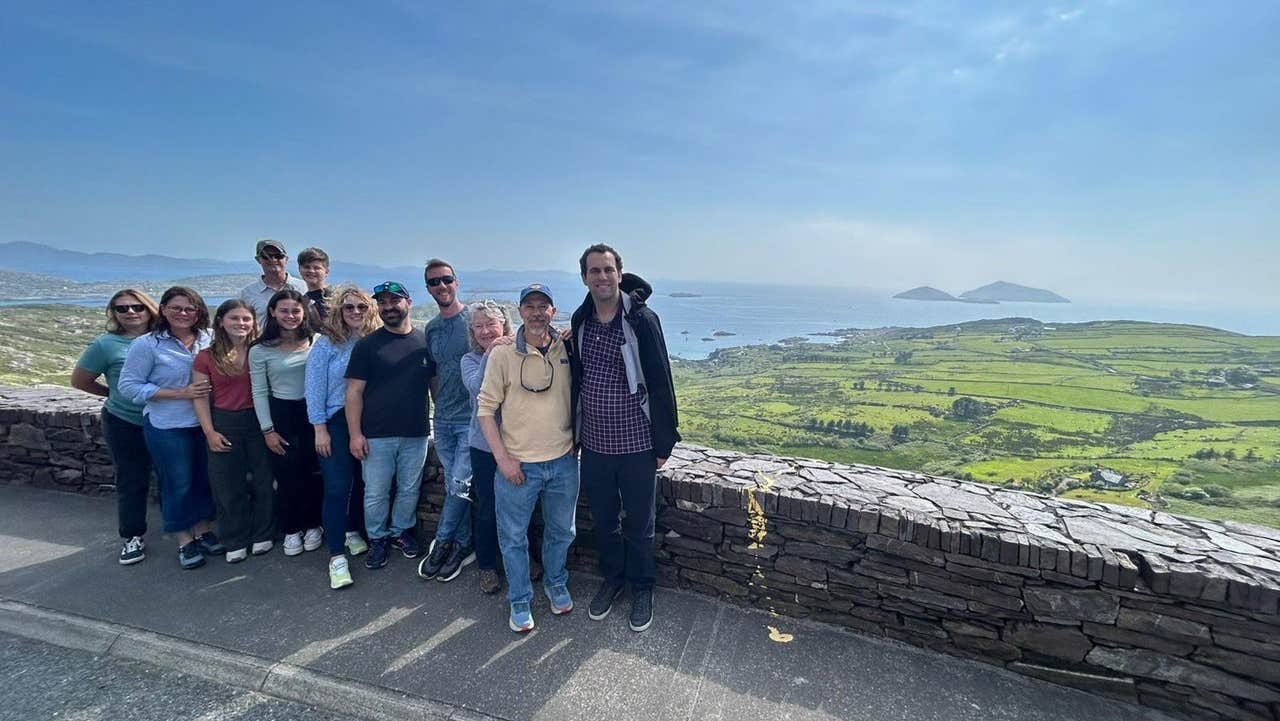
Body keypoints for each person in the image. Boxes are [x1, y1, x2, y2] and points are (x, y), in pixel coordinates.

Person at [570, 243, 680, 633]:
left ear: (620, 274)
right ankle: (613, 579)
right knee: (603, 520)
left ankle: (642, 587)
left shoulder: (641, 320)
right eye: (594, 271)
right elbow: (575, 377)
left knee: (640, 522)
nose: (601, 277)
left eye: (608, 270)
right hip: (596, 444)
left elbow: (660, 378)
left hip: (637, 443)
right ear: (584, 277)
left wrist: (664, 442)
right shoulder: (581, 321)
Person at [477, 283, 578, 633]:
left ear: (553, 311)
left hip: (563, 461)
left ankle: (555, 582)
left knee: (562, 531)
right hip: (518, 464)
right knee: (514, 537)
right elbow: (485, 410)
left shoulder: (567, 346)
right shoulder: (502, 354)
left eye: (544, 306)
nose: (537, 312)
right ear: (520, 312)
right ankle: (519, 600)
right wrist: (503, 460)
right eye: (530, 306)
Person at [118, 286, 220, 570]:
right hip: (167, 424)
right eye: (176, 308)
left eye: (190, 308)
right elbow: (128, 386)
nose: (183, 314)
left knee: (203, 478)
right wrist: (179, 393)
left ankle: (203, 529)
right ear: (163, 310)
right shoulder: (147, 345)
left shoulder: (209, 339)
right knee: (178, 482)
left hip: (206, 423)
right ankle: (184, 539)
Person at [345, 281, 434, 571]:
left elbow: (435, 387)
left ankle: (400, 532)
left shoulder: (424, 342)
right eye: (382, 303)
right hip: (376, 433)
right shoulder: (367, 346)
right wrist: (355, 434)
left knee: (409, 488)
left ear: (408, 302)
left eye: (393, 301)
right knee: (376, 492)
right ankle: (378, 538)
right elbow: (354, 392)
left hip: (416, 431)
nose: (388, 307)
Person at [71, 289, 160, 565]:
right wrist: (113, 394)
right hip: (125, 421)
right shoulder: (105, 345)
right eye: (122, 309)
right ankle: (132, 536)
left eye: (137, 307)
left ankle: (185, 530)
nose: (131, 312)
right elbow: (80, 380)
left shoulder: (165, 339)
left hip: (165, 419)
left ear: (149, 309)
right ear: (114, 314)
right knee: (131, 480)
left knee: (175, 476)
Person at [306, 284, 381, 590]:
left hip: (372, 420)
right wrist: (319, 428)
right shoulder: (326, 345)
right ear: (339, 310)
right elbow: (313, 389)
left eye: (361, 307)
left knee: (364, 483)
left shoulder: (375, 341)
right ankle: (336, 556)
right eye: (349, 307)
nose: (355, 312)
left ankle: (352, 530)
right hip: (335, 420)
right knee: (338, 486)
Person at [192, 300, 276, 563]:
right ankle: (235, 538)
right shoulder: (206, 356)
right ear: (221, 322)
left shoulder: (261, 351)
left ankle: (264, 533)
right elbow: (200, 397)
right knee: (228, 484)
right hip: (224, 421)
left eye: (246, 319)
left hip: (260, 420)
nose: (241, 324)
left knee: (265, 481)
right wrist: (209, 432)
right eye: (234, 318)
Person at [249, 288, 322, 557]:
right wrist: (267, 429)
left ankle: (313, 524)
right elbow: (258, 391)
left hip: (314, 412)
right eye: (284, 311)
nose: (290, 316)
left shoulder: (317, 341)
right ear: (272, 313)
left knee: (314, 473)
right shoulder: (260, 350)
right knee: (287, 474)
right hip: (282, 413)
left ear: (304, 313)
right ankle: (291, 529)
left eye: (295, 310)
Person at [417, 259, 476, 583]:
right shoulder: (433, 328)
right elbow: (436, 373)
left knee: (459, 483)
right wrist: (439, 408)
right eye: (434, 282)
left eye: (446, 280)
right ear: (428, 288)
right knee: (455, 483)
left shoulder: (473, 320)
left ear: (456, 282)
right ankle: (463, 545)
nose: (441, 286)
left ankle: (440, 542)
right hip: (443, 419)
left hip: (471, 420)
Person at [461, 300, 518, 595]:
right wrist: (493, 351)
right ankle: (487, 566)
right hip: (483, 446)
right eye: (478, 326)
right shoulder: (470, 361)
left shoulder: (515, 355)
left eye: (491, 324)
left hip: (517, 444)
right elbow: (477, 387)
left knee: (519, 508)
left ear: (504, 325)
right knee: (487, 509)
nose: (485, 331)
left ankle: (521, 559)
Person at [238, 239, 307, 325]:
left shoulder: (304, 287)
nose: (273, 260)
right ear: (258, 260)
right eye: (266, 256)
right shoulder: (248, 293)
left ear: (286, 259)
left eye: (278, 256)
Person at [298, 247, 334, 320]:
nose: (311, 271)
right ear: (299, 270)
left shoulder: (334, 298)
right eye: (307, 267)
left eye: (316, 268)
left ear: (326, 272)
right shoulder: (302, 301)